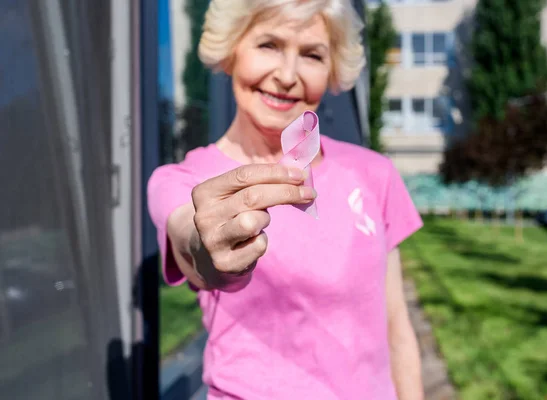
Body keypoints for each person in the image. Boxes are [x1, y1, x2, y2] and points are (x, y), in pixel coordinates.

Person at [148, 0, 425, 398]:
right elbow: (191, 241)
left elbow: (397, 328)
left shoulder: (373, 173)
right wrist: (210, 251)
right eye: (268, 45)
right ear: (231, 49)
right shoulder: (180, 181)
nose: (287, 75)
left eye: (312, 54)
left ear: (333, 70)